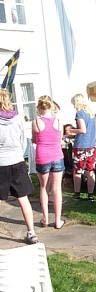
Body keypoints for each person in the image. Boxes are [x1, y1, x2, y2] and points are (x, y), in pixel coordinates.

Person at [0, 89, 38, 244]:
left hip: (1, 162)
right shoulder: (18, 118)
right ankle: (31, 232)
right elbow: (23, 139)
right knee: (23, 198)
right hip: (17, 160)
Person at [32, 95, 65, 229]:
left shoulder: (36, 121)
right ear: (51, 106)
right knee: (57, 189)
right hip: (57, 155)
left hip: (42, 156)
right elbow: (60, 138)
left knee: (44, 188)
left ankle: (45, 219)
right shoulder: (58, 121)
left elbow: (34, 140)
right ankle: (57, 221)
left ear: (39, 107)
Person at [69, 94, 96, 201]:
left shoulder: (79, 113)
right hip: (91, 145)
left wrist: (71, 130)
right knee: (90, 170)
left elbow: (82, 130)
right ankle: (91, 194)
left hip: (81, 145)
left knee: (78, 170)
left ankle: (77, 193)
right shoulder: (91, 114)